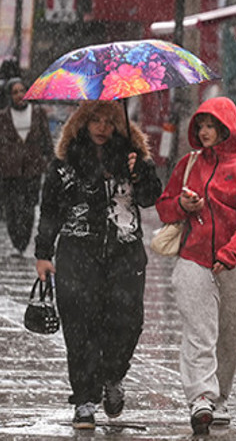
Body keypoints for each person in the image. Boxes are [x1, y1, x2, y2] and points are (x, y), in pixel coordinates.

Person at [33, 100, 162, 430]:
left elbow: (150, 198)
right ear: (82, 123)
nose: (102, 127)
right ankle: (85, 399)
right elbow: (50, 210)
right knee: (80, 328)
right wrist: (43, 254)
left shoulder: (134, 157)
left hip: (125, 254)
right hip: (78, 254)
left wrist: (139, 171)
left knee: (128, 322)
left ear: (119, 125)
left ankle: (113, 376)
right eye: (96, 120)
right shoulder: (66, 164)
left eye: (109, 121)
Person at [155, 97, 236, 435]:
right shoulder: (189, 164)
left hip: (234, 264)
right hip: (193, 259)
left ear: (225, 128)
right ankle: (201, 396)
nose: (203, 131)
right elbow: (164, 208)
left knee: (229, 334)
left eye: (210, 126)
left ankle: (221, 396)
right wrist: (183, 205)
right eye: (200, 126)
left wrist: (232, 253)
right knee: (199, 331)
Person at [0, 78, 54, 257]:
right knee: (12, 207)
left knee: (29, 207)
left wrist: (49, 161)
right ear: (10, 95)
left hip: (33, 169)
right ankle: (16, 240)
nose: (19, 95)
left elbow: (46, 139)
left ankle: (23, 242)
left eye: (22, 90)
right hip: (10, 171)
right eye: (15, 92)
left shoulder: (38, 113)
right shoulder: (3, 116)